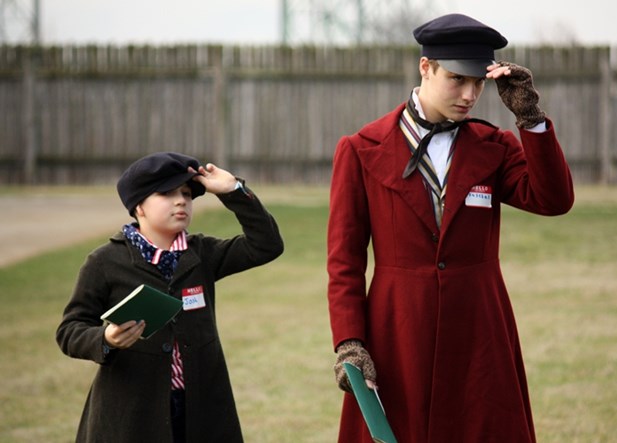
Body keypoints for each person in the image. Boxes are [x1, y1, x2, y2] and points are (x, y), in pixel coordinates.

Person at [327, 13, 574, 442]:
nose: (470, 94)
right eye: (457, 79)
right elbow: (344, 262)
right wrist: (350, 342)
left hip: (480, 330)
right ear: (426, 68)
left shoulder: (495, 146)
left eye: (478, 83)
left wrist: (530, 118)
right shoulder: (360, 149)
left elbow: (553, 200)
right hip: (396, 329)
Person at [56, 152, 283, 443]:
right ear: (139, 206)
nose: (181, 201)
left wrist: (234, 191)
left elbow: (267, 245)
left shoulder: (202, 253)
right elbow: (69, 330)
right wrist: (106, 339)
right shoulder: (104, 262)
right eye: (167, 193)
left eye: (187, 194)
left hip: (202, 410)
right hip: (132, 415)